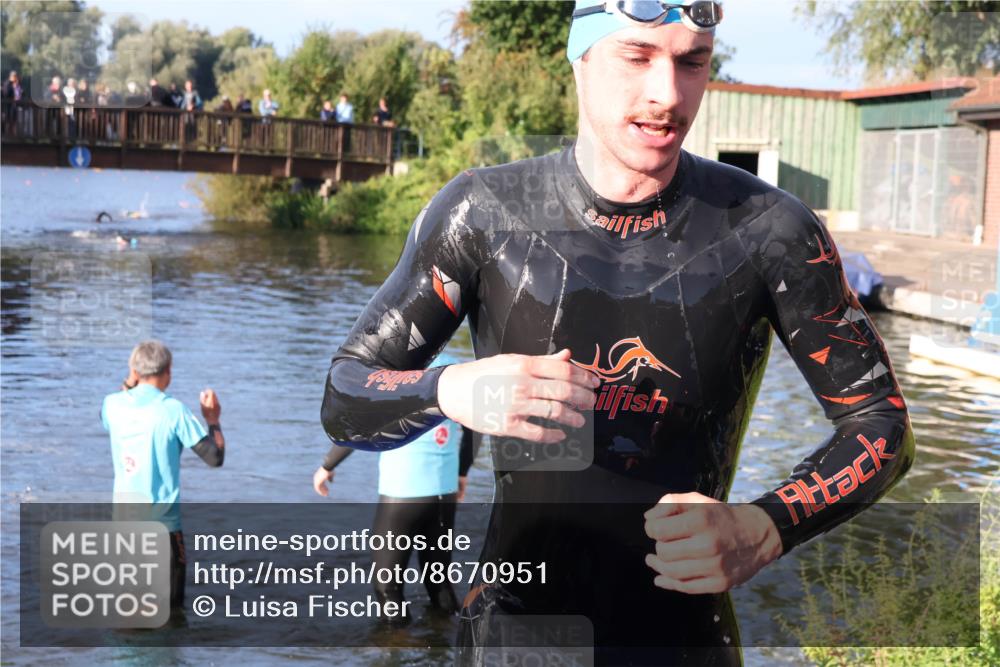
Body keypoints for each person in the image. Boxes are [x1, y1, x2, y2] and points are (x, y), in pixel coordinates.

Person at [320, 2, 914, 664]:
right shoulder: (482, 214)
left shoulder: (769, 229)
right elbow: (343, 398)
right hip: (515, 635)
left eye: (692, 62)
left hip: (684, 643)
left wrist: (765, 524)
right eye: (637, 56)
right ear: (581, 60)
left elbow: (882, 424)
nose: (667, 94)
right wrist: (449, 388)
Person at [313, 352, 477, 619]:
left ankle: (394, 645)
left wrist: (327, 466)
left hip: (403, 493)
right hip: (443, 494)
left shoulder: (392, 372)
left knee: (386, 587)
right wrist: (462, 473)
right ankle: (451, 645)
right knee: (439, 583)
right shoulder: (455, 368)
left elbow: (361, 425)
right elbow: (473, 427)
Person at [101, 340, 226, 610]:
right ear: (168, 371)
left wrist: (131, 377)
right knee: (169, 614)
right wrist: (213, 418)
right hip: (162, 529)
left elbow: (123, 396)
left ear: (134, 371)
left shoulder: (111, 405)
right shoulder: (173, 411)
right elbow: (215, 457)